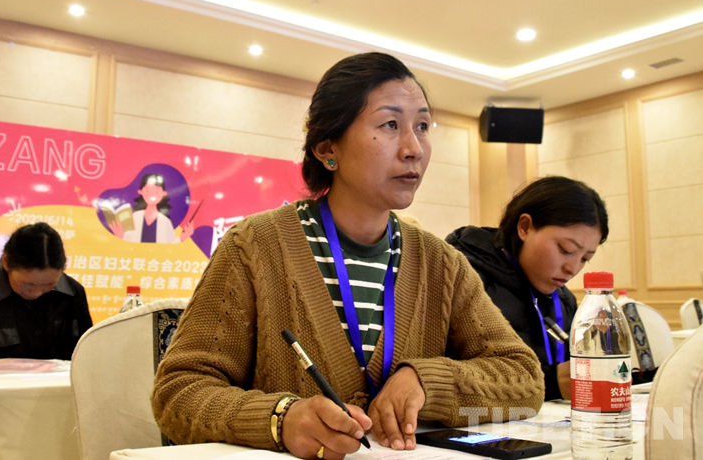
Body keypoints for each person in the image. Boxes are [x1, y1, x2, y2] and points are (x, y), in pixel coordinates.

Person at [151, 52, 544, 460]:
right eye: (390, 125)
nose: (414, 148)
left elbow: (524, 377)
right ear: (327, 149)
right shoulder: (254, 247)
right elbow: (178, 392)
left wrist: (427, 381)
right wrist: (280, 419)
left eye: (423, 126)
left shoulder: (441, 263)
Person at [446, 176, 609, 401]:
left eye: (585, 259)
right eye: (566, 249)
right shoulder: (463, 279)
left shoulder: (563, 300)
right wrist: (552, 383)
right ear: (524, 227)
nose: (572, 268)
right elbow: (450, 380)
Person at [0, 222, 93, 459]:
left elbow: (84, 357)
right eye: (28, 284)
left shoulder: (72, 294)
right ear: (7, 262)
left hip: (55, 419)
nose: (37, 293)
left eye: (48, 285)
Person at [110, 172, 193, 243]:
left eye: (157, 192)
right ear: (140, 192)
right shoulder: (135, 217)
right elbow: (129, 242)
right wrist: (120, 236)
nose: (152, 195)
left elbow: (169, 245)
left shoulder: (165, 221)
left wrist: (182, 237)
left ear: (163, 193)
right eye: (147, 191)